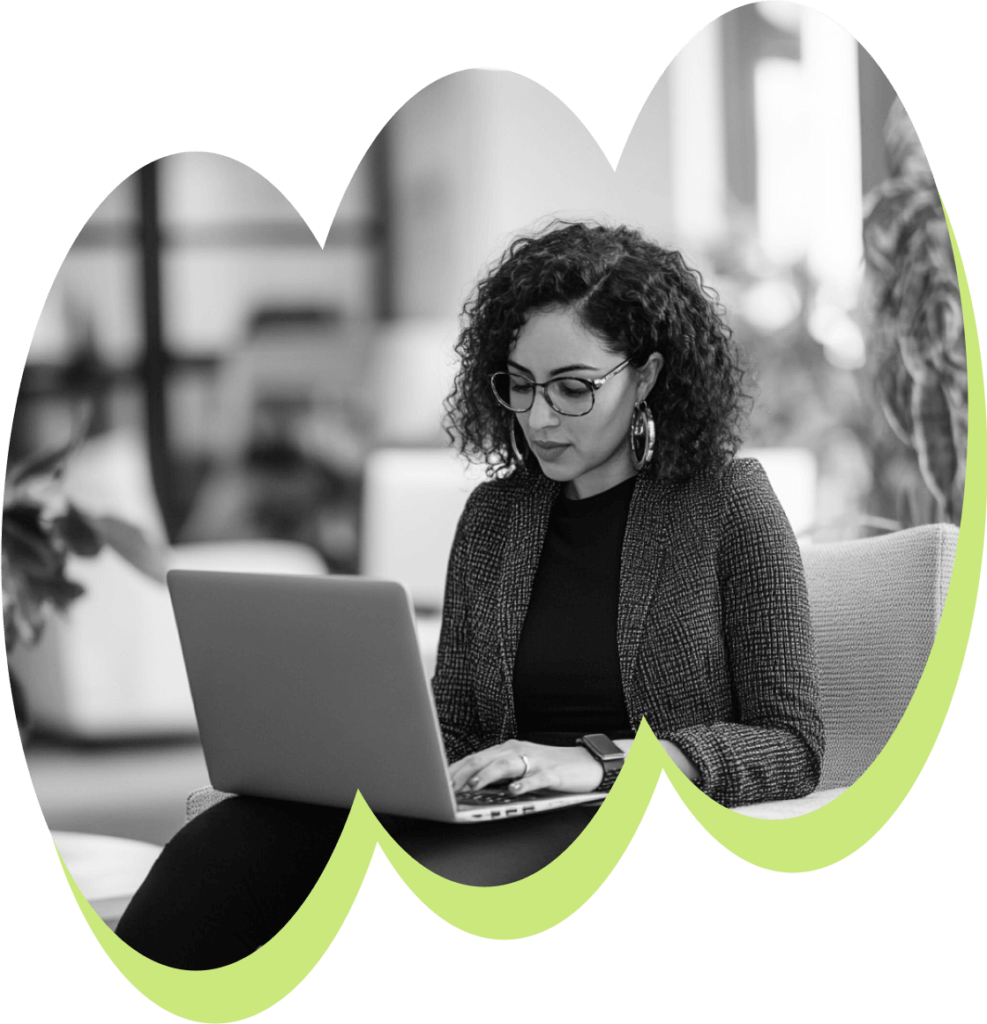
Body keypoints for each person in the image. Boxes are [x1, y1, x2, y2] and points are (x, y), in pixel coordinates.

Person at [116, 221, 823, 969]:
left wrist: (601, 764)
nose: (539, 417)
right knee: (230, 839)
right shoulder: (495, 519)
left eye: (573, 389)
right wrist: (381, 761)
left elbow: (791, 743)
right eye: (520, 385)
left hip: (619, 824)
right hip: (496, 818)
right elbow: (455, 719)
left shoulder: (726, 504)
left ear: (645, 376)